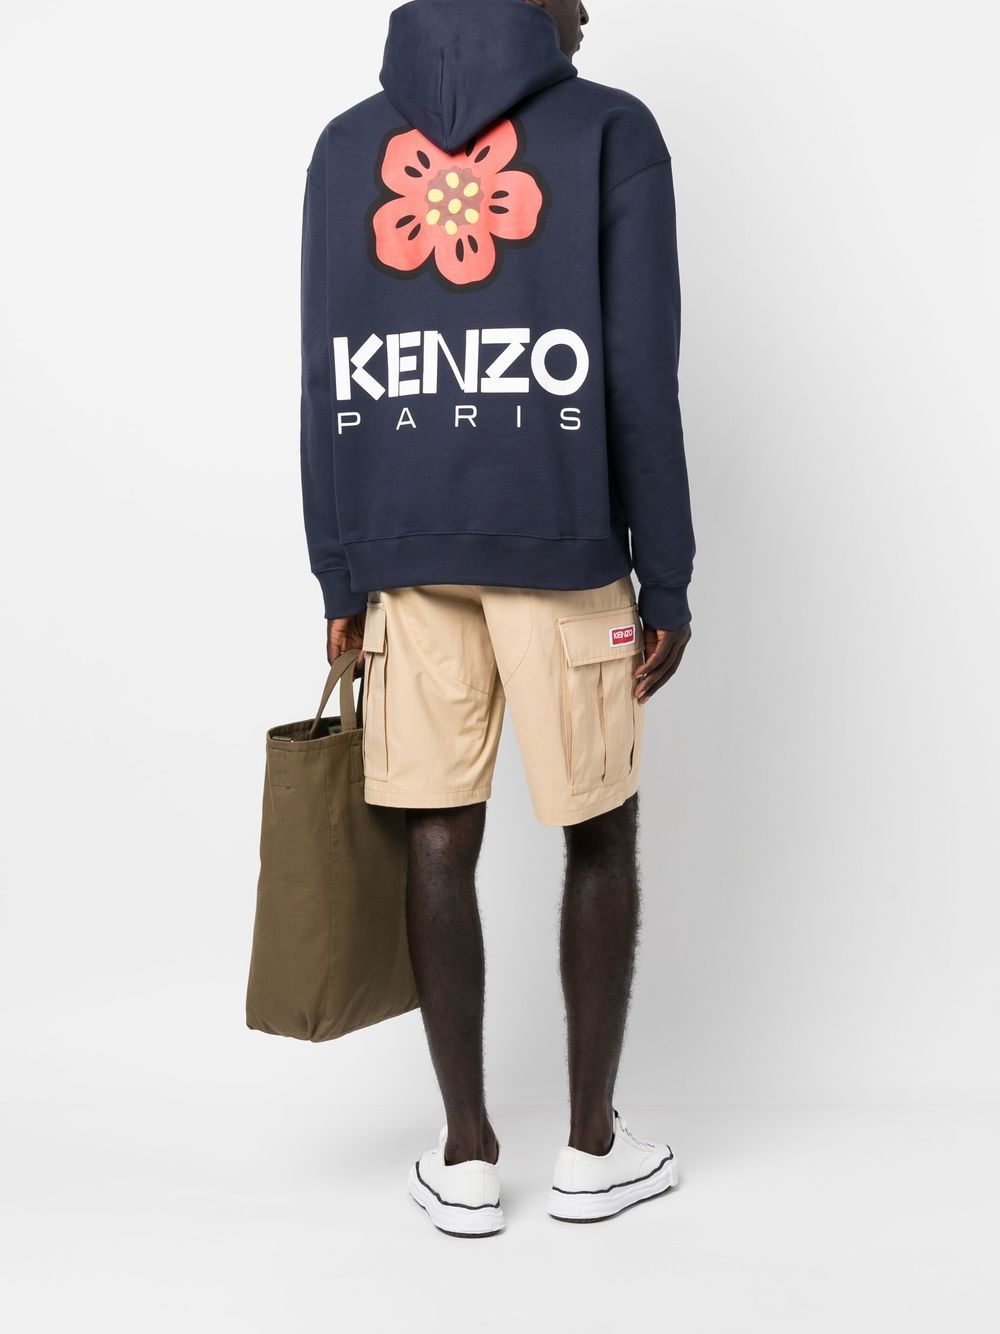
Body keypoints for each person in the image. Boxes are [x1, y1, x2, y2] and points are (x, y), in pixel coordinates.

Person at [300, 0, 694, 1236]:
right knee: (599, 829)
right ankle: (591, 1150)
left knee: (436, 832)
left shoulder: (346, 146)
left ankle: (466, 1154)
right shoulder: (611, 131)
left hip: (406, 551)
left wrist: (339, 573)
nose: (588, 9)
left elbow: (324, 370)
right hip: (563, 544)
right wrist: (667, 570)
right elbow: (637, 374)